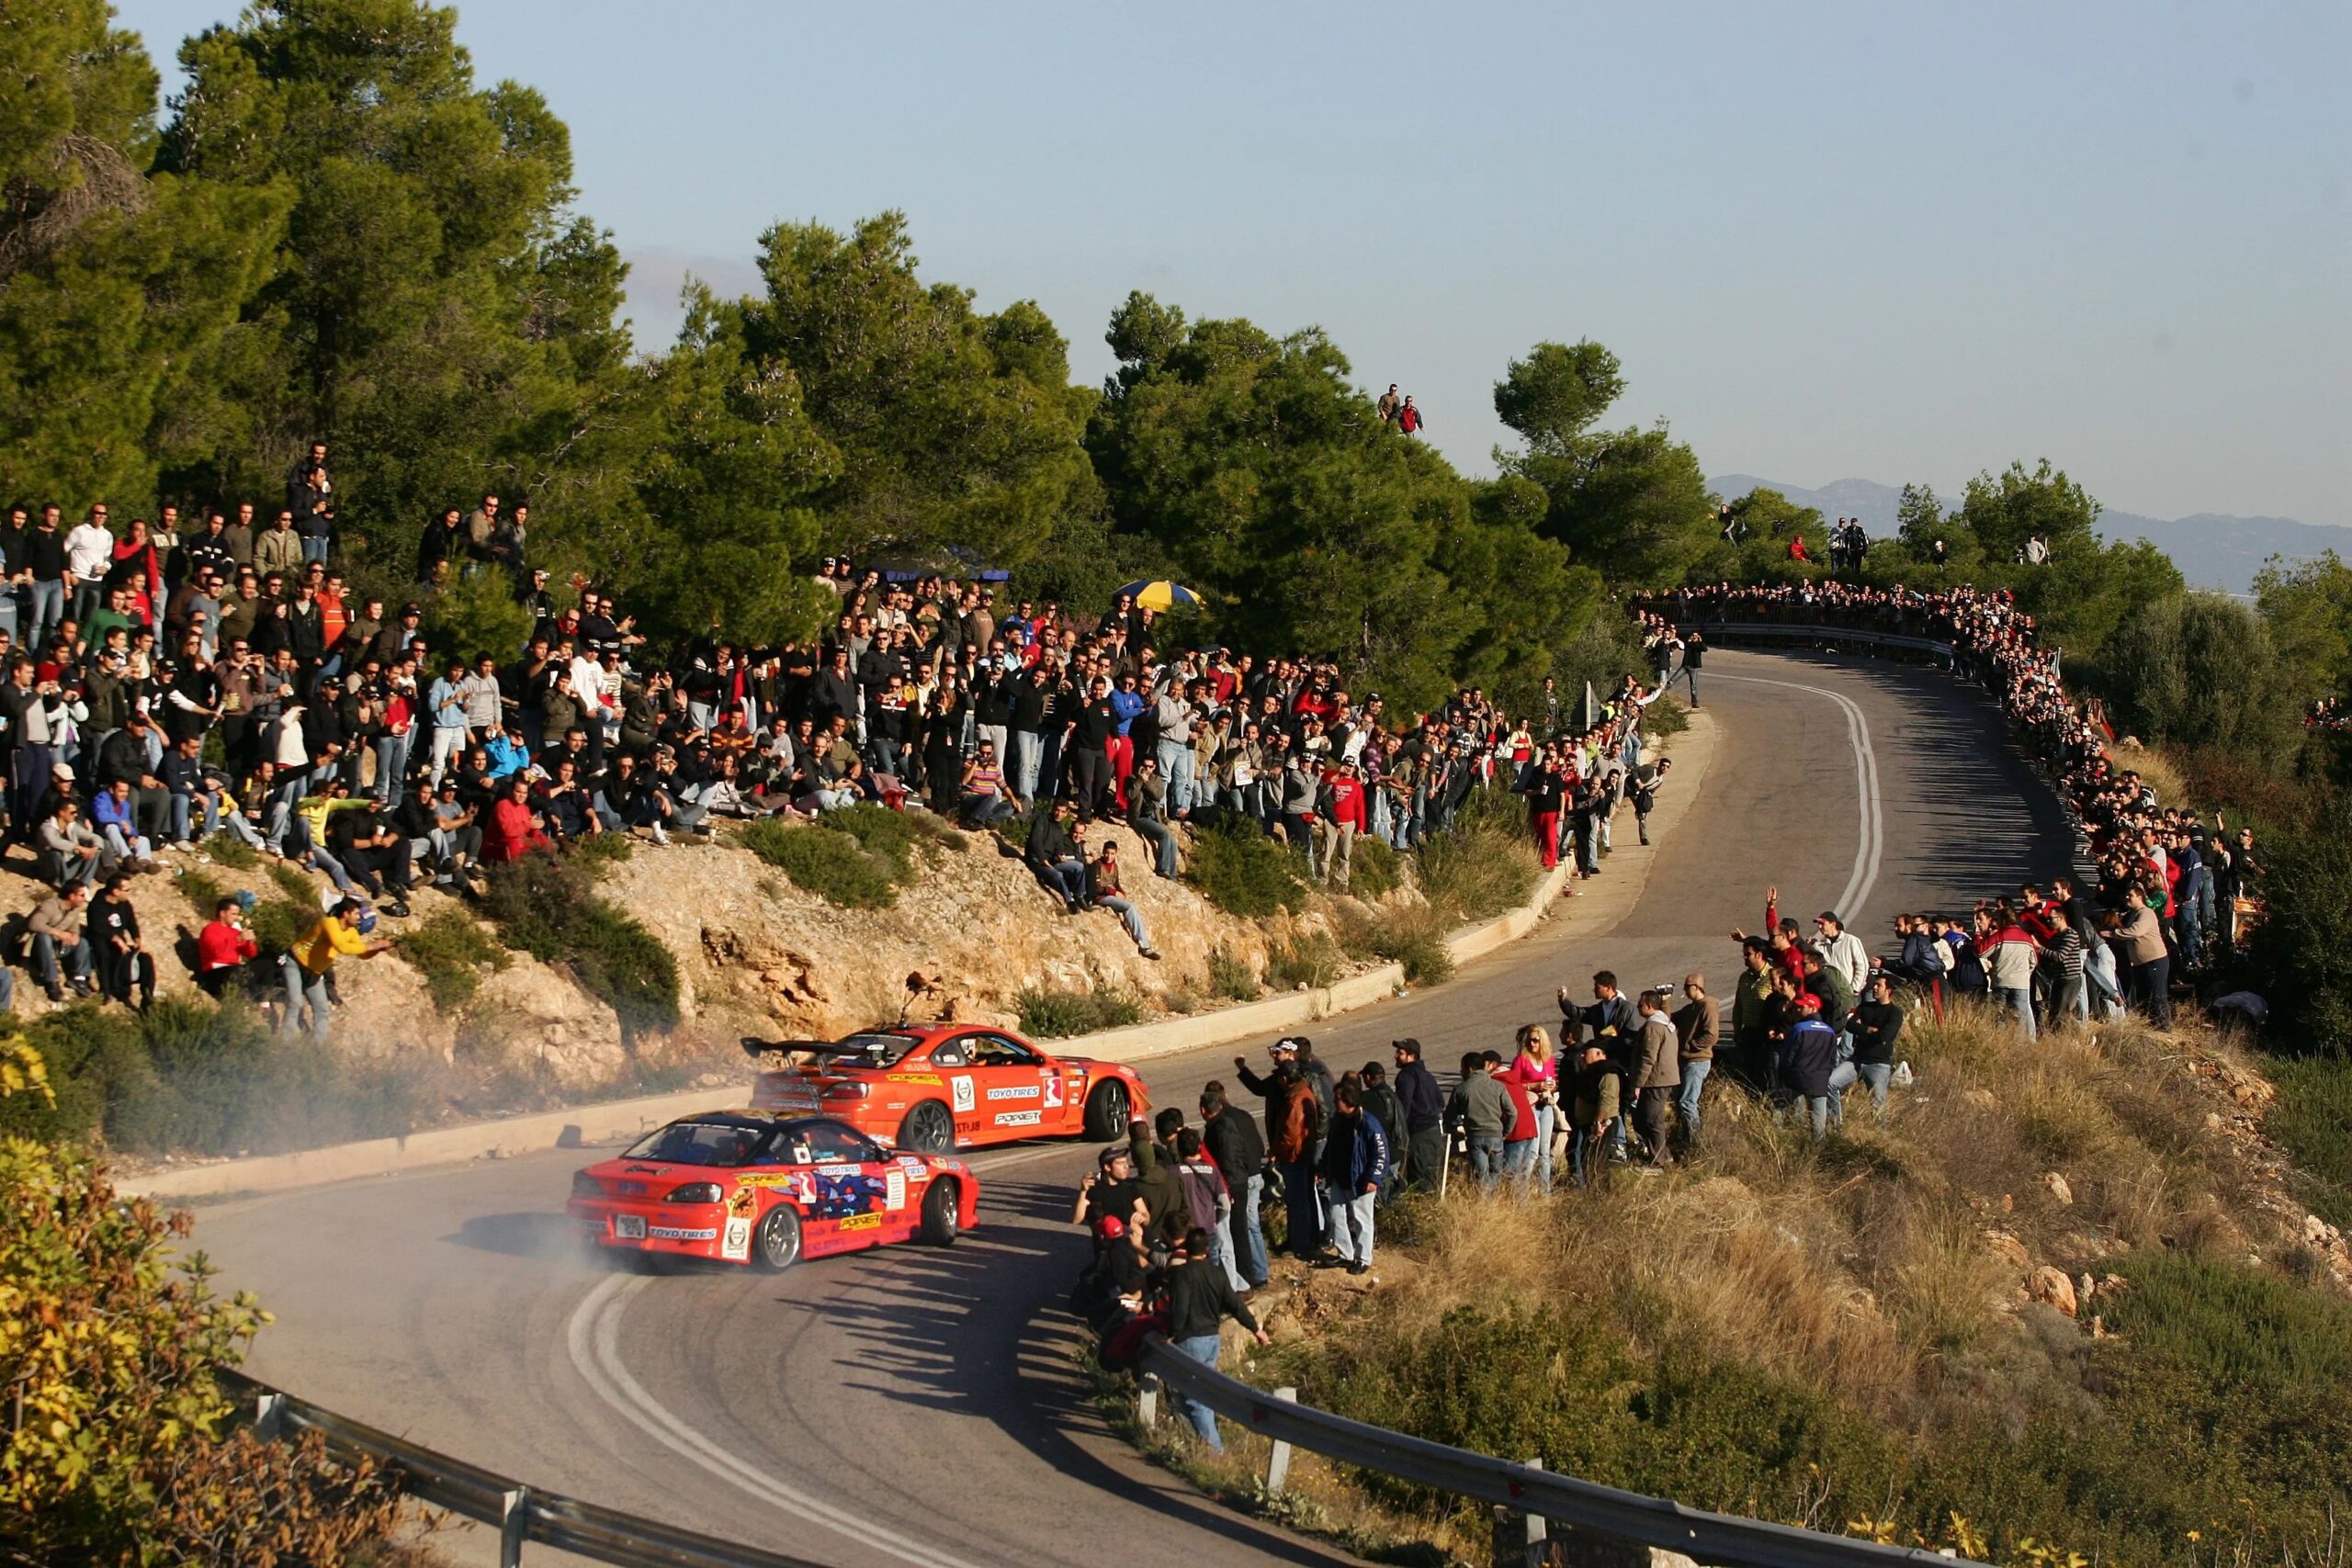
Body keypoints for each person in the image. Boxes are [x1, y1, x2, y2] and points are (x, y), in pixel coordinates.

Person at [1161, 1227, 1270, 1452]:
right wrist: (1255, 1329)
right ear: (1207, 1249)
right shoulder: (1217, 1273)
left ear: (1185, 1249)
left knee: (1192, 1397)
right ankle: (1196, 1445)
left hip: (1190, 1340)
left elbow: (1180, 1309)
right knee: (1200, 1396)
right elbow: (1235, 1304)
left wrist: (1172, 1334)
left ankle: (1214, 1451)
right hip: (1212, 1340)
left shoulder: (1182, 1275)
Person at [1233, 1039, 1321, 1258]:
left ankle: (1301, 1244)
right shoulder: (1291, 1083)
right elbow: (1261, 1088)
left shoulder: (1298, 1091)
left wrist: (1277, 1151)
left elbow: (1291, 1132)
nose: (1273, 1055)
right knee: (1302, 1198)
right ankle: (1304, 1240)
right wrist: (1243, 1070)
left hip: (1295, 1154)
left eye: (1278, 1051)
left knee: (1298, 1200)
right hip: (1298, 1152)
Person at [281, 897, 392, 1043]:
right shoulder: (330, 923)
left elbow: (363, 955)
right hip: (296, 961)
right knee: (295, 1002)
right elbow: (342, 947)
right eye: (356, 914)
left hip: (315, 971)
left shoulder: (352, 931)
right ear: (346, 914)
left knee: (322, 1010)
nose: (359, 918)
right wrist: (373, 945)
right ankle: (285, 1040)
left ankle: (317, 1047)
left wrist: (378, 949)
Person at [1199, 1082, 1269, 1290]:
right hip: (1251, 1175)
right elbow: (1258, 1147)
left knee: (1240, 1231)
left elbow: (1229, 1161)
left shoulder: (1220, 1128)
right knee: (1250, 1227)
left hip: (1237, 1184)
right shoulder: (1241, 1116)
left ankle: (1247, 1278)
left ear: (1204, 1110)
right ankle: (1259, 1272)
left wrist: (1227, 1189)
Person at [1317, 1078, 1387, 1275]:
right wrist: (1323, 1169)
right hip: (1339, 1177)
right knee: (1337, 1216)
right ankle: (1345, 1254)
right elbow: (1330, 1148)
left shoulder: (1368, 1123)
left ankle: (1363, 1258)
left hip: (1360, 1180)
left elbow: (1380, 1153)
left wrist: (1374, 1178)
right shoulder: (1338, 1121)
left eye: (1337, 1099)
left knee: (1362, 1219)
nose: (1334, 1102)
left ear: (1348, 1102)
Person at [1444, 1048, 1512, 1188]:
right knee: (1496, 1174)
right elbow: (1513, 1112)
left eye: (1462, 1069)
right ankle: (1492, 1203)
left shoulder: (1461, 1089)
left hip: (1475, 1136)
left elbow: (1448, 1117)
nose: (1461, 1072)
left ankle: (1484, 1201)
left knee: (1481, 1176)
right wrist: (1505, 1132)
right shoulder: (1498, 1086)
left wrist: (1454, 1131)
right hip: (1496, 1136)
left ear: (1469, 1069)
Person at [89, 872, 156, 1010]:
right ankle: (107, 991)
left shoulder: (124, 905)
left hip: (121, 943)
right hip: (102, 943)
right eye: (126, 890)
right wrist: (117, 941)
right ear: (115, 891)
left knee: (145, 960)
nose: (128, 893)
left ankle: (147, 1001)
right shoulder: (97, 905)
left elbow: (131, 924)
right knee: (105, 954)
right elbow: (98, 927)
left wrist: (137, 940)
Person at [1781, 992, 1842, 1138]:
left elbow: (1787, 1056)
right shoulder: (1830, 1031)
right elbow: (1833, 1060)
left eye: (1802, 1007)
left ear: (1813, 1008)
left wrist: (1784, 1075)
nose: (1798, 1010)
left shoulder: (1799, 1029)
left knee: (1798, 1122)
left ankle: (1799, 1152)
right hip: (1820, 1082)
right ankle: (1818, 1154)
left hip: (1798, 1081)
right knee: (1818, 1127)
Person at [1630, 989, 1680, 1166]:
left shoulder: (1653, 1027)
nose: (1637, 1007)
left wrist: (1637, 1083)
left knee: (1652, 1119)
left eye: (1640, 1004)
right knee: (1646, 1117)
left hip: (1656, 1080)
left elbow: (1648, 1058)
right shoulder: (1665, 1022)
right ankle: (1663, 1155)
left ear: (1649, 1005)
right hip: (1664, 1078)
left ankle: (1658, 1160)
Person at [1087, 840, 1161, 960]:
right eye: (1106, 853)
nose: (1109, 856)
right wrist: (1113, 892)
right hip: (1100, 897)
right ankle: (1144, 946)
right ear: (1103, 852)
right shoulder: (1097, 865)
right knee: (1129, 907)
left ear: (1116, 854)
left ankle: (1143, 940)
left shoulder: (1114, 866)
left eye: (1112, 854)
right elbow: (1096, 887)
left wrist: (1121, 891)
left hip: (1110, 896)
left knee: (1130, 906)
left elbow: (1115, 883)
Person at [1390, 1037, 1446, 1193]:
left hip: (1418, 1134)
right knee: (1430, 1176)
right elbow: (1440, 1103)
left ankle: (1426, 1214)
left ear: (1411, 1056)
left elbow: (1403, 1108)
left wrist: (1399, 1133)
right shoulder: (1427, 1075)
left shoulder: (1406, 1076)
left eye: (1400, 1053)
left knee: (1420, 1181)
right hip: (1434, 1132)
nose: (1395, 1056)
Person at [1670, 973, 1718, 1151]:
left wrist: (1692, 1046)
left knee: (1687, 1102)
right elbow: (1670, 1018)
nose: (1685, 990)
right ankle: (1686, 1138)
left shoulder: (1707, 1006)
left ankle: (1696, 1143)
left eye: (1687, 986)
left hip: (1698, 1061)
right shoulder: (1691, 1008)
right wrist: (1665, 1000)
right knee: (1681, 1102)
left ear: (1697, 987)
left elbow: (1712, 1034)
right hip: (1687, 1060)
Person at [27, 884, 94, 1001]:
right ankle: (52, 981)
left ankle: (79, 979)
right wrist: (59, 933)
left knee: (82, 943)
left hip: (58, 946)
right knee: (43, 937)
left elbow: (74, 928)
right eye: (81, 895)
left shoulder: (74, 910)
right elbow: (34, 924)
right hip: (39, 946)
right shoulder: (50, 906)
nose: (84, 899)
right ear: (71, 896)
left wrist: (75, 936)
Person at [196, 894, 262, 999]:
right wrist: (237, 940)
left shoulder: (235, 931)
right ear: (222, 913)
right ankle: (242, 999)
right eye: (233, 914)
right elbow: (217, 952)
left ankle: (264, 1001)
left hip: (234, 968)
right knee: (237, 971)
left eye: (237, 914)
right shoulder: (210, 930)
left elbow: (251, 954)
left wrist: (250, 942)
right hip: (216, 971)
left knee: (266, 966)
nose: (236, 918)